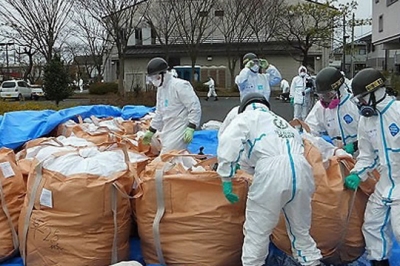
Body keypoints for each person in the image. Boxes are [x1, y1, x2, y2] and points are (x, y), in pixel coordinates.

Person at [217, 92, 322, 266]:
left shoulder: (247, 117)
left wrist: (226, 176)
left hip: (272, 171)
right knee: (300, 231)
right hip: (301, 169)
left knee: (257, 231)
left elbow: (229, 139)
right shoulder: (281, 122)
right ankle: (311, 261)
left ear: (244, 107)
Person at [344, 68, 399, 266]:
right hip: (385, 184)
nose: (361, 104)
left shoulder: (398, 112)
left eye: (362, 99)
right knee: (372, 227)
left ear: (375, 92)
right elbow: (367, 155)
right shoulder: (366, 121)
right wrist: (357, 174)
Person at [142, 57, 201, 154]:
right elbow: (160, 112)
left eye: (156, 77)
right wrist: (151, 130)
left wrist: (191, 126)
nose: (154, 80)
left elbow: (194, 107)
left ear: (164, 74)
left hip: (180, 127)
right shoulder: (161, 89)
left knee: (167, 158)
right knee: (174, 157)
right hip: (168, 127)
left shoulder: (180, 85)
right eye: (152, 78)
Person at [305, 67, 360, 155]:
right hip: (339, 157)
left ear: (339, 90)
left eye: (328, 95)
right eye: (321, 96)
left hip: (363, 157)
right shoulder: (320, 108)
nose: (325, 99)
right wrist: (328, 150)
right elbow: (308, 131)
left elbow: (373, 133)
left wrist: (356, 145)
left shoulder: (355, 104)